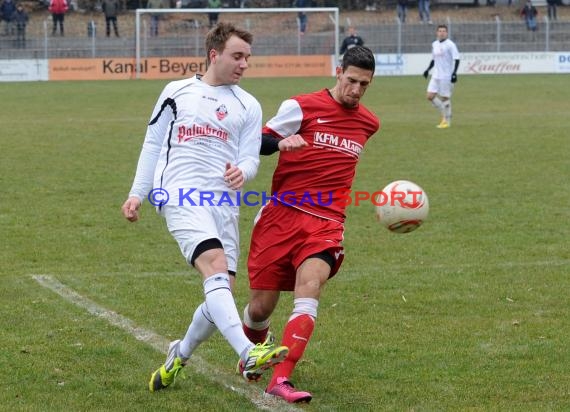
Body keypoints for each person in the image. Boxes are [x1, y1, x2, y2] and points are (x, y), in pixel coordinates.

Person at [121, 22, 288, 392]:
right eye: (237, 56)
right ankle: (248, 352)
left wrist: (242, 172)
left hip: (223, 204)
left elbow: (250, 159)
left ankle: (178, 355)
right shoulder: (177, 91)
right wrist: (138, 193)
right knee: (213, 265)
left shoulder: (249, 104)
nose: (244, 64)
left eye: (248, 58)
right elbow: (153, 144)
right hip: (179, 194)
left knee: (221, 294)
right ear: (214, 54)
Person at [238, 45, 380, 403]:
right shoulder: (301, 106)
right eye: (351, 81)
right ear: (337, 72)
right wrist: (281, 142)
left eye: (365, 84)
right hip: (280, 217)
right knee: (260, 308)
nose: (357, 91)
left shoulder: (369, 123)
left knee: (311, 286)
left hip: (327, 223)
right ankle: (257, 348)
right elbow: (255, 142)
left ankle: (281, 378)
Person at [423, 24, 460, 129]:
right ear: (437, 32)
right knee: (430, 96)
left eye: (444, 31)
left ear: (447, 33)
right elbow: (433, 59)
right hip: (436, 75)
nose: (442, 33)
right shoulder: (434, 44)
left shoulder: (450, 45)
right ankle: (445, 113)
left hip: (446, 76)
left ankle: (446, 121)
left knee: (445, 98)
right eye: (440, 31)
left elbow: (457, 59)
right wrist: (427, 70)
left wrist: (454, 73)